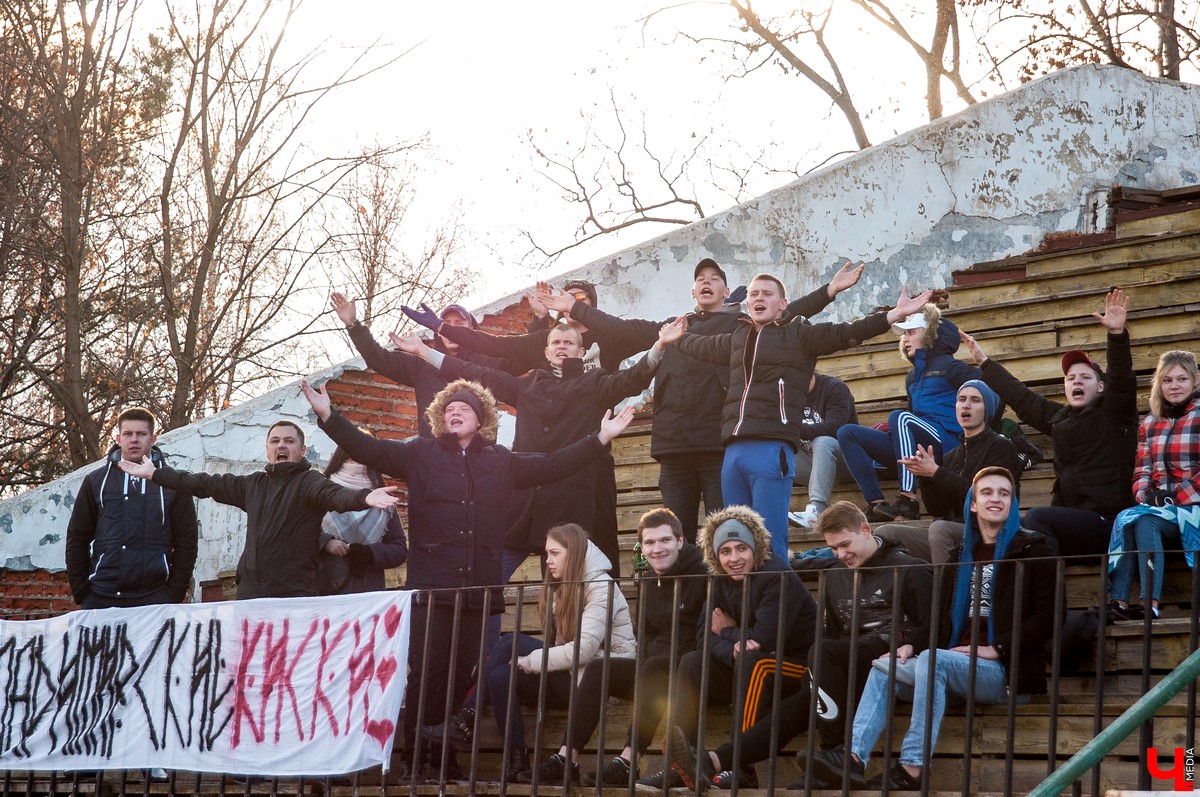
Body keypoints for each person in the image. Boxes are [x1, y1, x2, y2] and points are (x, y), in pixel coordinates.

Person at [300, 377, 636, 784]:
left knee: (464, 675)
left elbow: (552, 465)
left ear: (481, 419)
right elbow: (369, 448)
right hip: (430, 589)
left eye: (464, 408)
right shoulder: (419, 453)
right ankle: (415, 759)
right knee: (428, 673)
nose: (454, 412)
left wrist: (600, 437)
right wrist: (328, 417)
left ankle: (445, 760)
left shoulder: (500, 460)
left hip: (478, 592)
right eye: (448, 409)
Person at [535, 259, 865, 542]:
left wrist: (828, 292)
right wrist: (573, 308)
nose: (706, 282)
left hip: (717, 448)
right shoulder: (675, 328)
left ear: (726, 292)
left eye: (715, 279)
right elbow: (620, 329)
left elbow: (783, 312)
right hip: (673, 447)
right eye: (700, 280)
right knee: (678, 538)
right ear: (693, 292)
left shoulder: (741, 329)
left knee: (724, 533)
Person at [803, 467, 1055, 790]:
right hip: (955, 662)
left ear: (1013, 503)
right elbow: (940, 621)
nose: (996, 498)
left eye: (1004, 493)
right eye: (987, 492)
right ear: (973, 504)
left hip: (1005, 670)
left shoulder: (1034, 550)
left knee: (934, 660)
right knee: (885, 666)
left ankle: (912, 768)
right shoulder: (958, 557)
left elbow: (1048, 617)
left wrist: (998, 647)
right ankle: (853, 759)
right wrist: (909, 644)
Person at [664, 502, 931, 791]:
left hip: (888, 664)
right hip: (842, 666)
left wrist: (909, 643)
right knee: (790, 708)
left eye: (844, 545)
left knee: (805, 659)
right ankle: (708, 762)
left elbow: (934, 626)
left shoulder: (910, 569)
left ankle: (832, 754)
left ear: (865, 530)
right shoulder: (837, 574)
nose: (841, 554)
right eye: (834, 548)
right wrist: (737, 641)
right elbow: (839, 632)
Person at [661, 278, 933, 560]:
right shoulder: (736, 339)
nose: (759, 298)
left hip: (772, 449)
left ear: (783, 306)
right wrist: (676, 338)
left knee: (770, 542)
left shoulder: (799, 336)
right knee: (736, 542)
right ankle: (740, 603)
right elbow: (700, 346)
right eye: (754, 293)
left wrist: (892, 316)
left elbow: (847, 333)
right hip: (732, 452)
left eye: (767, 294)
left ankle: (779, 600)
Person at [390, 321, 662, 576]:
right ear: (546, 351)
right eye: (556, 342)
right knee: (485, 579)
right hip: (523, 503)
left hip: (569, 502)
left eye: (568, 343)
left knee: (560, 589)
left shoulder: (596, 383)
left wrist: (659, 346)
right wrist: (425, 352)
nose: (561, 347)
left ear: (581, 352)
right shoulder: (526, 385)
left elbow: (632, 379)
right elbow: (476, 373)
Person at [117, 419, 400, 600]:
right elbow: (204, 483)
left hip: (295, 597)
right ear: (267, 448)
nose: (281, 445)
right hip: (251, 595)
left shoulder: (310, 481)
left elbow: (335, 496)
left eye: (289, 441)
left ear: (302, 450)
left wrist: (364, 498)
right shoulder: (253, 484)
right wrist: (157, 475)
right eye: (275, 440)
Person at [646, 505, 818, 791]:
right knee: (692, 661)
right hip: (749, 664)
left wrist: (726, 631)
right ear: (716, 556)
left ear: (755, 548)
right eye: (725, 551)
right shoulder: (717, 579)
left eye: (741, 549)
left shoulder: (776, 573)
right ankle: (681, 765)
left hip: (798, 667)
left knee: (754, 661)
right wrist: (735, 646)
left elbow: (768, 637)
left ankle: (742, 767)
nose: (734, 558)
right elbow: (703, 639)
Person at [962, 289, 1138, 558]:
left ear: (1101, 387)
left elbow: (1122, 377)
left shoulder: (1116, 413)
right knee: (1019, 535)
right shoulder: (1060, 418)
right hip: (1073, 522)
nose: (1076, 381)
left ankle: (1052, 600)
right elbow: (1022, 398)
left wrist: (1117, 335)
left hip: (1110, 524)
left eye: (1084, 377)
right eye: (1070, 378)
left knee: (1037, 520)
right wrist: (985, 363)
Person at [542, 508, 708, 787]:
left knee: (654, 665)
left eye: (665, 540)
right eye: (650, 543)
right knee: (600, 667)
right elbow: (646, 635)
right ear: (642, 547)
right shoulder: (648, 580)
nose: (657, 549)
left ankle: (628, 761)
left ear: (680, 541)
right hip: (654, 669)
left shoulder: (702, 574)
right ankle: (565, 758)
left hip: (689, 670)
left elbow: (701, 636)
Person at [464, 523, 637, 784]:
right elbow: (561, 650)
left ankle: (467, 716)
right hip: (570, 675)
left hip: (596, 680)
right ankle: (517, 759)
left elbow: (583, 650)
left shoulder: (601, 585)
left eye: (555, 553)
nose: (548, 561)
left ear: (575, 553)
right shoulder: (563, 586)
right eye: (547, 554)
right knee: (500, 675)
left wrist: (531, 661)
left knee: (511, 642)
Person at [837, 303, 992, 523]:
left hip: (948, 442)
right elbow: (912, 418)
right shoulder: (912, 377)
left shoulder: (951, 367)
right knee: (847, 432)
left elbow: (990, 393)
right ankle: (876, 504)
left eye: (911, 332)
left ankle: (908, 499)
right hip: (919, 446)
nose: (905, 339)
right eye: (904, 334)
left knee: (899, 417)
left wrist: (979, 435)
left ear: (930, 335)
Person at [874, 380, 1023, 564]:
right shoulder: (952, 456)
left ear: (987, 410)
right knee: (885, 533)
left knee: (939, 529)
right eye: (961, 399)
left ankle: (947, 592)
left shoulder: (1001, 447)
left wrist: (936, 472)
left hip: (989, 533)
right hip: (953, 535)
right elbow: (939, 509)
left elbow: (982, 497)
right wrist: (925, 476)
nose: (966, 404)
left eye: (975, 400)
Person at [65, 407, 198, 609]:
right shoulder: (96, 481)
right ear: (118, 438)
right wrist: (82, 591)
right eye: (128, 434)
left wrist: (173, 593)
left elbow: (186, 542)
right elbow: (77, 537)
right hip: (101, 596)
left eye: (141, 434)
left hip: (155, 598)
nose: (134, 439)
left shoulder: (173, 484)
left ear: (153, 439)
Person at [331, 293, 515, 438]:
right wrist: (352, 324)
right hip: (433, 461)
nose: (452, 329)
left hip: (479, 463)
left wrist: (539, 317)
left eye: (459, 324)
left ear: (472, 330)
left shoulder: (488, 367)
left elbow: (525, 359)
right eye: (447, 324)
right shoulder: (422, 366)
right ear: (438, 330)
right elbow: (378, 358)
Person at [1108, 350, 1200, 620]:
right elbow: (1142, 470)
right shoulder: (1150, 422)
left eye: (1182, 379)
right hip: (1162, 508)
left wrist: (1174, 496)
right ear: (1159, 384)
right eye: (1167, 380)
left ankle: (1150, 602)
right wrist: (1146, 495)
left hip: (1194, 506)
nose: (1174, 386)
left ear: (1194, 381)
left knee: (1145, 522)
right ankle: (1119, 603)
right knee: (1128, 518)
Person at [403, 279, 639, 373]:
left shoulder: (610, 338)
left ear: (591, 305)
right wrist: (442, 327)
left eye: (580, 298)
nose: (571, 301)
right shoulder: (547, 338)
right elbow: (503, 348)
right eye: (568, 295)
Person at [317, 445, 408, 594]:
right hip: (326, 589)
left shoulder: (383, 500)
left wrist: (370, 553)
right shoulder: (320, 492)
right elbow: (298, 537)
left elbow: (399, 549)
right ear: (341, 457)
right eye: (352, 456)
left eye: (362, 457)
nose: (357, 462)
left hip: (367, 593)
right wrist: (326, 543)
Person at [789, 372, 859, 528]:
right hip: (812, 465)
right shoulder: (787, 394)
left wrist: (795, 430)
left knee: (823, 441)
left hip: (846, 462)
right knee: (774, 451)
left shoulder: (834, 388)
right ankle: (771, 513)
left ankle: (817, 510)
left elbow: (836, 427)